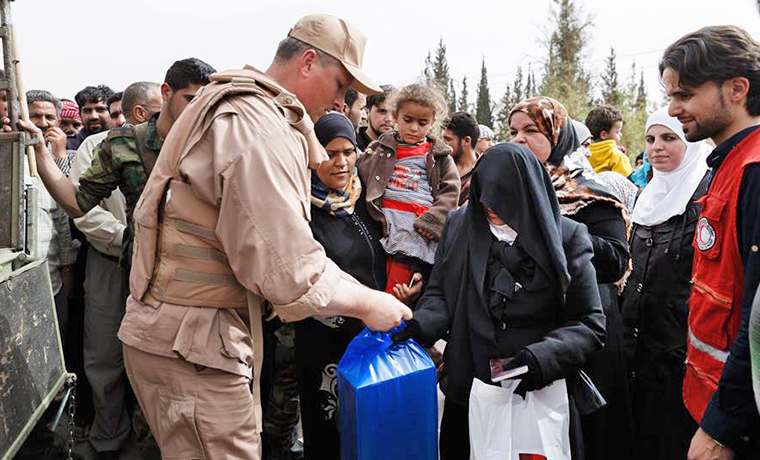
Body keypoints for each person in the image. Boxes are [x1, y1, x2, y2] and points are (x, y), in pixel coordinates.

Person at [57, 15, 408, 460]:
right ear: (308, 61)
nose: (343, 101)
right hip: (196, 348)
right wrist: (370, 303)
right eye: (340, 84)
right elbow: (287, 268)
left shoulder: (232, 103)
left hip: (178, 335)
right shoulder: (257, 124)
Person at [24, 58, 215, 460]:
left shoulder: (215, 140)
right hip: (140, 277)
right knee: (123, 365)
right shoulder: (120, 145)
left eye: (205, 100)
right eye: (189, 98)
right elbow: (78, 201)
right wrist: (42, 156)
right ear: (166, 95)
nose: (198, 109)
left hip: (200, 284)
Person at [393, 143, 606, 460]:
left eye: (502, 196)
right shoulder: (461, 225)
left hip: (535, 392)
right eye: (484, 195)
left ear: (526, 191)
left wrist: (537, 359)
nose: (490, 206)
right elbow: (442, 293)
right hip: (469, 387)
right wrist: (419, 324)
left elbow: (589, 323)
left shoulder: (568, 237)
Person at [510, 96, 634, 460]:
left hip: (585, 335)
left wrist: (552, 229)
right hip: (533, 336)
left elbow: (614, 261)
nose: (518, 139)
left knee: (586, 438)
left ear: (559, 137)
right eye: (514, 131)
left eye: (531, 130)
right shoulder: (510, 195)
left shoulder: (591, 195)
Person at [661, 25, 760, 460]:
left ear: (737, 88)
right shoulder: (728, 163)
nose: (672, 108)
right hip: (708, 399)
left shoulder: (755, 171)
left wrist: (722, 428)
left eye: (684, 94)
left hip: (739, 424)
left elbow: (758, 320)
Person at [293, 112, 390, 459]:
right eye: (330, 153)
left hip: (373, 336)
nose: (341, 162)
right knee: (331, 432)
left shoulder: (367, 201)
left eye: (348, 152)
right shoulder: (301, 210)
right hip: (324, 343)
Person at [622, 107, 710, 459]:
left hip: (681, 348)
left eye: (669, 138)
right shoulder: (646, 194)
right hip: (638, 347)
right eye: (651, 139)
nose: (657, 147)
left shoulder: (706, 192)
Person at [357, 82, 460, 293]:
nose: (414, 128)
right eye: (408, 120)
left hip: (415, 225)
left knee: (399, 280)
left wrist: (435, 219)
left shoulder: (438, 155)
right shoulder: (380, 148)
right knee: (376, 274)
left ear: (432, 122)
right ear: (395, 116)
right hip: (382, 220)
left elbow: (451, 190)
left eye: (422, 123)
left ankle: (387, 319)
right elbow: (362, 174)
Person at [442, 111, 480, 206]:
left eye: (448, 139)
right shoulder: (439, 167)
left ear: (466, 141)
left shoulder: (484, 172)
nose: (442, 144)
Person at [585, 105, 634, 177]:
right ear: (604, 135)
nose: (621, 135)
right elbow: (627, 182)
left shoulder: (583, 153)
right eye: (617, 132)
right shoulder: (617, 156)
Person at [68, 85, 115, 150]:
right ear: (80, 114)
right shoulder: (69, 146)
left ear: (111, 112)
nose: (94, 116)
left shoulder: (125, 142)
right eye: (87, 111)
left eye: (100, 110)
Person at [357, 84, 394, 150]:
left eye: (394, 113)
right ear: (367, 110)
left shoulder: (404, 148)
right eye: (382, 111)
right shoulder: (352, 145)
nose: (389, 119)